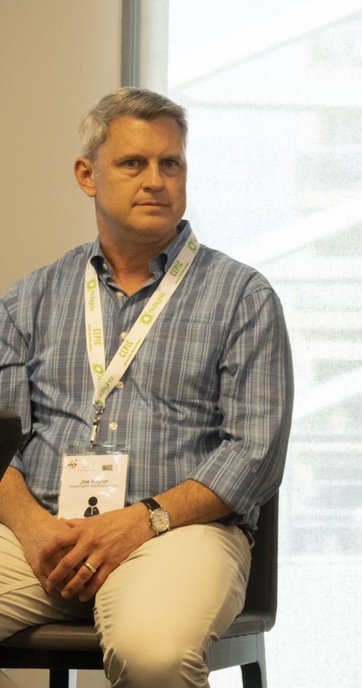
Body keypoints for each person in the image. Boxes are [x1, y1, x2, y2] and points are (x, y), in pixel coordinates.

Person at [0, 88, 293, 688]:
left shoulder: (243, 296)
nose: (156, 180)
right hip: (45, 537)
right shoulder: (27, 300)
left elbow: (255, 455)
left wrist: (139, 523)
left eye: (171, 163)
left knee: (154, 655)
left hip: (177, 536)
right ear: (88, 175)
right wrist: (32, 529)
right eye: (133, 163)